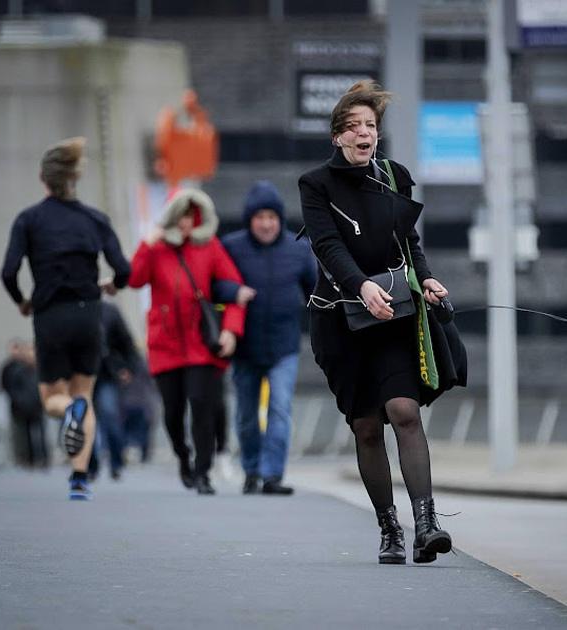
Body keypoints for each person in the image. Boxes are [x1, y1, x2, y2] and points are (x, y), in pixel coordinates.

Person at [298, 81, 466, 564]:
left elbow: (408, 242)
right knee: (368, 426)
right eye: (353, 127)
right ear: (337, 137)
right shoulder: (316, 185)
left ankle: (426, 526)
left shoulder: (394, 176)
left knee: (404, 412)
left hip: (394, 314)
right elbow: (327, 246)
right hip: (340, 322)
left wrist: (427, 279)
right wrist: (361, 286)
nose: (363, 134)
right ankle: (389, 529)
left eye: (370, 125)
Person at [0, 136, 131, 500]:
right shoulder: (95, 219)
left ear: (44, 179)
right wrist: (113, 285)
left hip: (49, 316)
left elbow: (8, 272)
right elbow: (124, 268)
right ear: (74, 179)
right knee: (84, 394)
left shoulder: (29, 220)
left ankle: (68, 413)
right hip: (89, 315)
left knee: (53, 398)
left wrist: (22, 301)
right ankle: (79, 479)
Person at [129, 188, 245, 495]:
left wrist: (230, 331)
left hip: (200, 345)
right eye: (179, 216)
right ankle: (183, 456)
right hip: (164, 345)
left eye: (190, 217)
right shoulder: (156, 249)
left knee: (202, 405)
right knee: (172, 412)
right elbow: (134, 279)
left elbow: (234, 291)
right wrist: (146, 243)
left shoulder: (210, 247)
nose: (184, 223)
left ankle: (203, 471)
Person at [218, 181, 317, 495]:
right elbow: (211, 285)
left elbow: (316, 294)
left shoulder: (299, 249)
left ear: (279, 219)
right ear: (250, 220)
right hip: (245, 347)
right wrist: (234, 292)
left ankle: (272, 475)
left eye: (271, 217)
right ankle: (251, 470)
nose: (265, 223)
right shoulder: (231, 247)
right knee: (247, 415)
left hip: (284, 346)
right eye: (259, 217)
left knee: (279, 408)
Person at [88, 299, 139, 481]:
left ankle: (116, 463)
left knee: (109, 415)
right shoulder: (71, 308)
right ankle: (90, 466)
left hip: (106, 375)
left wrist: (129, 367)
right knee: (84, 420)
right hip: (81, 374)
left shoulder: (109, 311)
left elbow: (126, 341)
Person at [0, 340, 48, 468]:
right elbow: (8, 386)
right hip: (21, 406)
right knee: (23, 434)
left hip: (37, 406)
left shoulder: (40, 369)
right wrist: (18, 400)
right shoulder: (13, 369)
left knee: (40, 433)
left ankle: (43, 458)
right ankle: (28, 459)